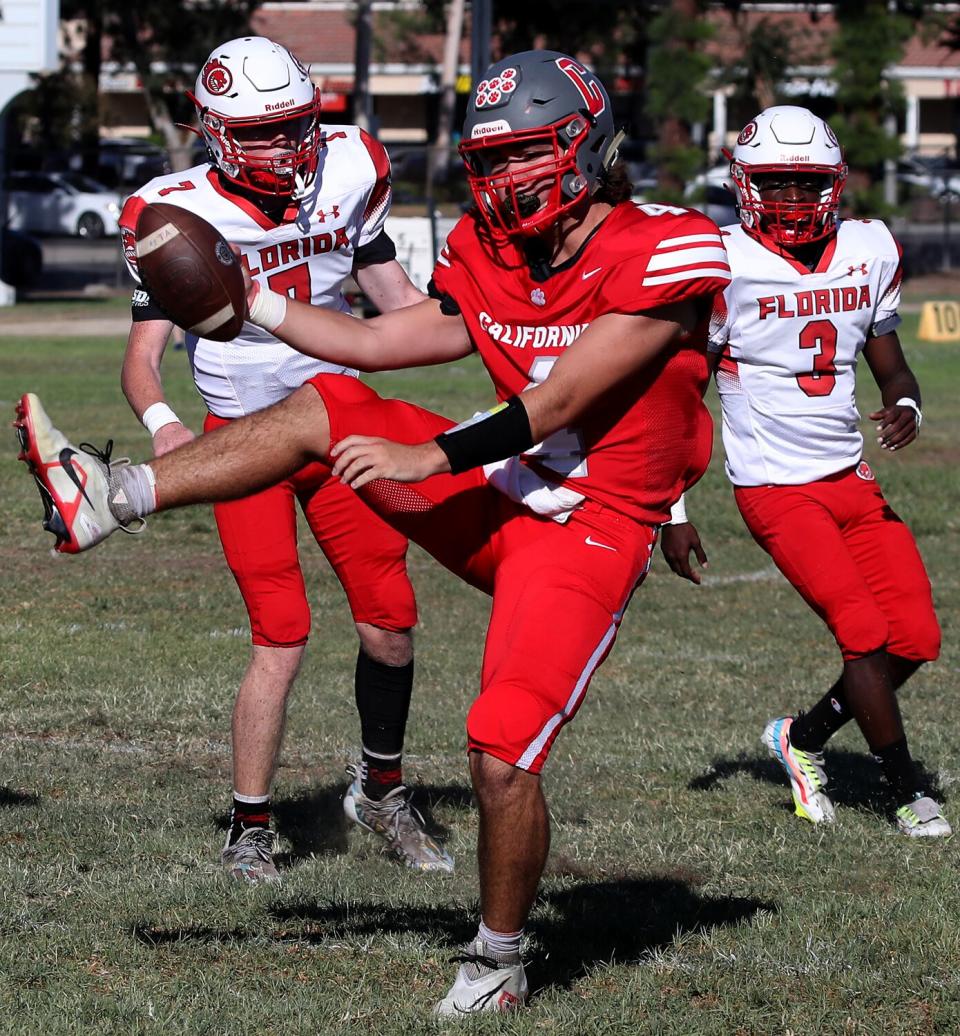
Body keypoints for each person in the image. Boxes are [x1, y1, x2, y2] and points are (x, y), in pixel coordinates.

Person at [16, 50, 731, 1012]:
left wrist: (431, 459)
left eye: (529, 154)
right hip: (506, 497)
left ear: (588, 143)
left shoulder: (668, 246)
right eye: (494, 159)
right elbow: (377, 339)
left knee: (500, 752)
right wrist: (254, 299)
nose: (506, 178)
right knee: (329, 399)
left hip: (591, 530)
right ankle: (117, 494)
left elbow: (560, 400)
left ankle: (498, 959)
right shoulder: (492, 251)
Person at [116, 36, 453, 883]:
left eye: (296, 125)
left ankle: (381, 789)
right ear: (215, 133)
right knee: (281, 634)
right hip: (245, 438)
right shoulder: (172, 211)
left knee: (391, 623)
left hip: (341, 425)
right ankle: (251, 823)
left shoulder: (349, 168)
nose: (286, 145)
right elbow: (141, 356)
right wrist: (163, 426)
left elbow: (395, 304)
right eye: (261, 132)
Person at [661, 105, 950, 838]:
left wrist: (905, 398)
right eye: (777, 183)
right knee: (860, 629)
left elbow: (889, 359)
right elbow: (678, 398)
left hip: (849, 479)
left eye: (806, 182)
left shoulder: (869, 249)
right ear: (745, 185)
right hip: (773, 486)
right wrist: (674, 509)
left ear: (835, 183)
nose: (792, 199)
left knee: (914, 638)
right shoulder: (720, 263)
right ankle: (905, 789)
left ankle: (805, 737)